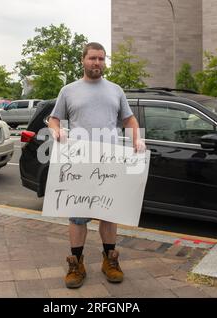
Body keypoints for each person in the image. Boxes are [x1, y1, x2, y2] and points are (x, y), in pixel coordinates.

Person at [48, 42, 146, 289]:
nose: (97, 63)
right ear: (83, 60)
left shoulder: (115, 90)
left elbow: (129, 119)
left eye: (101, 59)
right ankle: (76, 263)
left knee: (108, 213)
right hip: (80, 161)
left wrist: (137, 137)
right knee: (78, 216)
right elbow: (53, 119)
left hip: (110, 162)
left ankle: (109, 260)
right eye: (93, 58)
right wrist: (56, 132)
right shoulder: (68, 91)